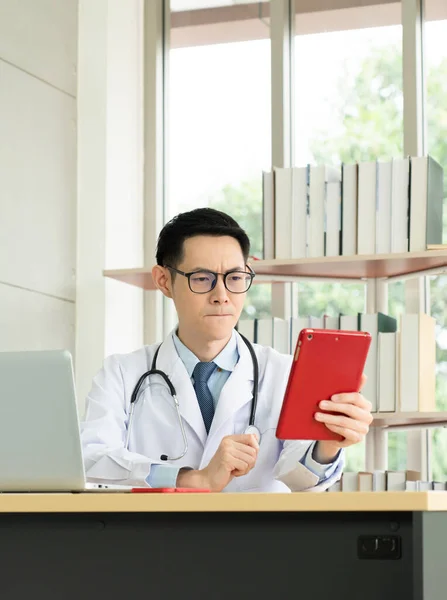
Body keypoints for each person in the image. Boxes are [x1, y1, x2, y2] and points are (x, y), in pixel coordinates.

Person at [81, 208, 373, 492]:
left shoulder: (284, 372)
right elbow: (91, 458)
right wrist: (191, 479)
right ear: (164, 281)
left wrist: (329, 443)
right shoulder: (122, 373)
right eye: (202, 279)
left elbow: (298, 480)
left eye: (234, 278)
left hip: (256, 538)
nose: (221, 296)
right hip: (160, 537)